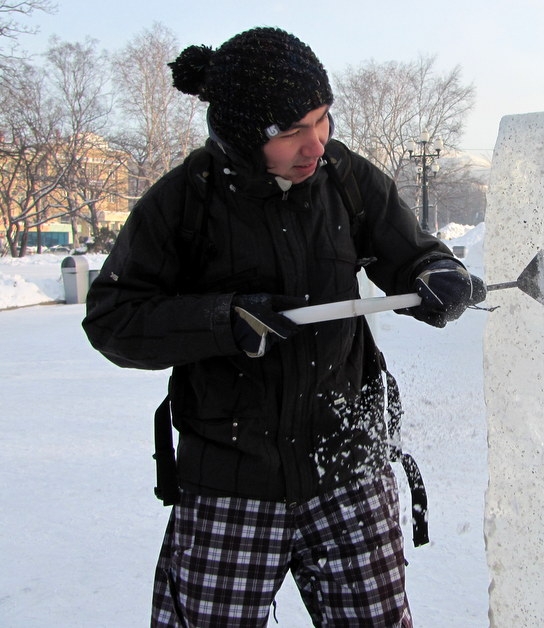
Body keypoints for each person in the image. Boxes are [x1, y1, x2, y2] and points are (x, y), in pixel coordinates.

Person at [82, 26, 485, 627]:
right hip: (230, 479)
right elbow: (114, 318)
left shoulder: (345, 178)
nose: (315, 144)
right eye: (291, 131)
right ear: (245, 137)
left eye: (321, 119)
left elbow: (411, 252)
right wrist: (223, 320)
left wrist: (435, 274)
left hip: (348, 469)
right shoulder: (184, 201)